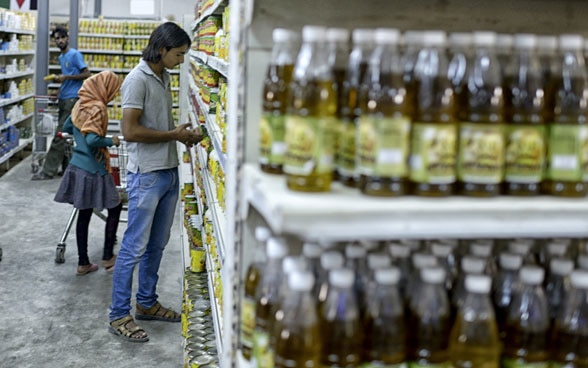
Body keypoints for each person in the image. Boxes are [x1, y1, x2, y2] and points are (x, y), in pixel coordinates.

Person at [108, 22, 202, 343]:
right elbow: (131, 131)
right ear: (162, 49)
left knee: (157, 245)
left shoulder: (164, 76)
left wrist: (182, 135)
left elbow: (159, 125)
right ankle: (119, 314)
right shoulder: (136, 80)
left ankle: (146, 303)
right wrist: (173, 135)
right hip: (146, 174)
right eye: (178, 54)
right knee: (133, 247)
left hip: (168, 171)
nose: (181, 60)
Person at [54, 71, 123, 276]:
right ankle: (108, 256)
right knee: (115, 206)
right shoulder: (98, 108)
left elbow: (67, 126)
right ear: (105, 88)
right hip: (94, 167)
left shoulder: (80, 104)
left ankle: (83, 263)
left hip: (76, 165)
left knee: (83, 213)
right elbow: (93, 140)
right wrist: (112, 141)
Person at [32, 26, 91, 180]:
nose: (59, 41)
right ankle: (67, 168)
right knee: (66, 135)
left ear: (67, 38)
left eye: (61, 38)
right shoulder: (61, 57)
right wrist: (58, 91)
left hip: (73, 99)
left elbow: (87, 74)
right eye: (56, 39)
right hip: (64, 98)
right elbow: (67, 76)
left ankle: (48, 170)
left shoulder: (74, 55)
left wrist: (66, 78)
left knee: (60, 135)